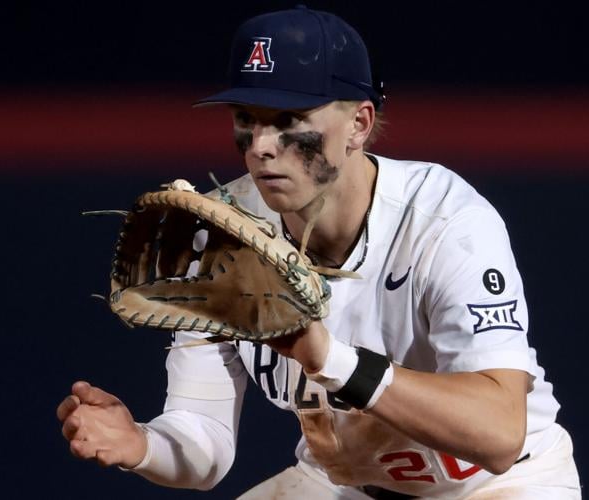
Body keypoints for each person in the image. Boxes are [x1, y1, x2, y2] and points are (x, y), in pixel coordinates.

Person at [56, 5, 582, 499]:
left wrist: (328, 358)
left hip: (500, 484)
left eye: (288, 119)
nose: (261, 144)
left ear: (359, 124)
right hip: (343, 486)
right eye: (246, 117)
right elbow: (204, 448)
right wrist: (142, 445)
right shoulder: (220, 234)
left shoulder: (443, 221)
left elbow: (499, 435)